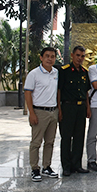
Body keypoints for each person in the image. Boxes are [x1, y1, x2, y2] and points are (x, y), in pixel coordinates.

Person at [25, 47, 59, 182]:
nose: (50, 59)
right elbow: (27, 93)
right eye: (47, 56)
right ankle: (34, 168)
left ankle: (47, 166)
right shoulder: (34, 74)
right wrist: (31, 113)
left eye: (52, 56)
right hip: (39, 111)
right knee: (36, 142)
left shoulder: (56, 72)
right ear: (41, 58)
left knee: (50, 142)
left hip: (53, 111)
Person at [58, 45, 91, 176]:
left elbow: (86, 92)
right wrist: (59, 109)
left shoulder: (84, 72)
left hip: (81, 108)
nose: (80, 58)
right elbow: (59, 91)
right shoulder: (64, 71)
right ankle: (66, 166)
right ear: (72, 55)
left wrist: (88, 108)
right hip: (67, 107)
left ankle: (76, 164)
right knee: (66, 137)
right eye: (78, 55)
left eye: (82, 56)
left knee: (79, 137)